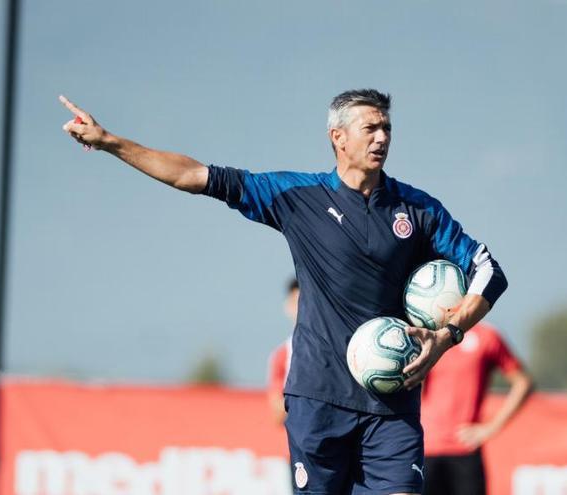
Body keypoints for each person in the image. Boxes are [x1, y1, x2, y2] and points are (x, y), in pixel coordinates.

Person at [59, 89, 507, 495]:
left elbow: (489, 271)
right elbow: (194, 176)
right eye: (370, 127)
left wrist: (447, 335)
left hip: (393, 407)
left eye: (387, 127)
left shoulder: (419, 210)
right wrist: (110, 142)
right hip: (318, 399)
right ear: (339, 137)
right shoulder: (298, 196)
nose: (381, 137)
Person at [421, 322, 533, 495]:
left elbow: (523, 382)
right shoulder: (425, 333)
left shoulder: (486, 336)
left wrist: (490, 428)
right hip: (423, 449)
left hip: (464, 449)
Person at [268, 277, 300, 424]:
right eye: (296, 303)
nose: (300, 309)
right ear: (287, 306)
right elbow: (278, 414)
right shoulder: (282, 355)